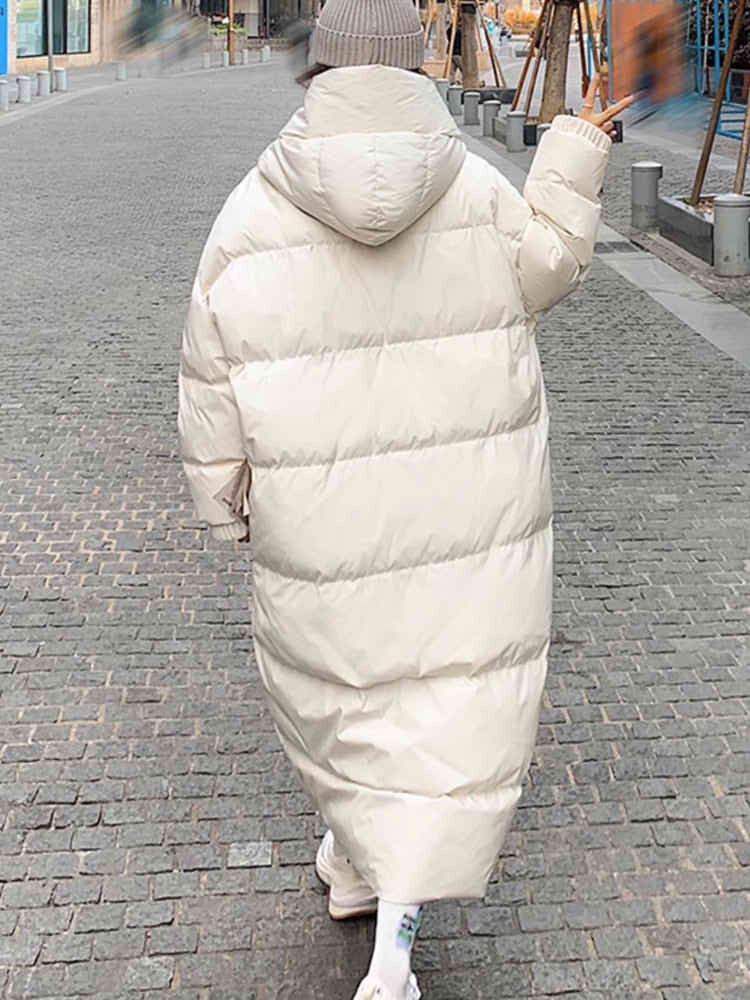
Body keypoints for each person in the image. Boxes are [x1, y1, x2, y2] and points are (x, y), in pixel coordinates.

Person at [177, 2, 633, 998]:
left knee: (353, 695)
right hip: (466, 512)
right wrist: (572, 149)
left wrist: (223, 498)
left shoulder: (251, 212)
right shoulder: (475, 187)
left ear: (321, 70)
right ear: (415, 66)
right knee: (435, 701)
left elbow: (210, 371)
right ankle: (378, 908)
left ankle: (382, 929)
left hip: (322, 523)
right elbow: (549, 267)